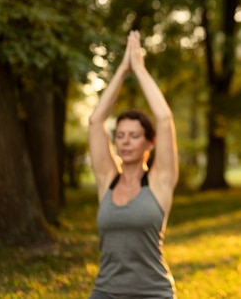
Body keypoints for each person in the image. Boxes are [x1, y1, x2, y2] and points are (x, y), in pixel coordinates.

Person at [88, 30, 179, 299]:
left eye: (134, 136)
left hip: (153, 293)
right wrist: (122, 70)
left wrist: (139, 69)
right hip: (105, 292)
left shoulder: (159, 182)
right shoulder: (107, 179)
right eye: (120, 136)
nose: (125, 142)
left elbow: (164, 119)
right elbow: (95, 122)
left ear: (149, 143)